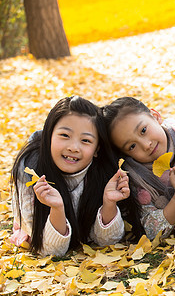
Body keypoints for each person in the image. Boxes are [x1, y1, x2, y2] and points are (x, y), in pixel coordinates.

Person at [11, 96, 131, 257]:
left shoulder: (105, 174)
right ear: (49, 136)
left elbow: (108, 241)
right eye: (65, 136)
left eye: (86, 140)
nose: (73, 147)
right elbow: (52, 251)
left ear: (96, 150)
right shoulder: (29, 175)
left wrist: (109, 203)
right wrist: (57, 209)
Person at [102, 97, 175, 240]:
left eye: (143, 130)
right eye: (132, 146)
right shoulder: (136, 178)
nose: (146, 144)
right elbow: (152, 231)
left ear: (155, 116)